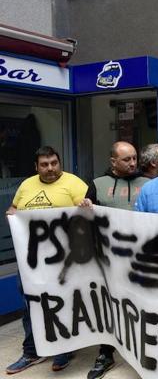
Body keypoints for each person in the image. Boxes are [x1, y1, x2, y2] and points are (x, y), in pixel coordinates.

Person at [5, 146, 87, 375]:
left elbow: (88, 213)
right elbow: (13, 207)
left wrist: (85, 207)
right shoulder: (27, 185)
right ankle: (32, 351)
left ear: (60, 163)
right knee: (30, 303)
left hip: (63, 259)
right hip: (30, 259)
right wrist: (11, 214)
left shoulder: (74, 184)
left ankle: (64, 349)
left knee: (62, 303)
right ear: (36, 167)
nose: (50, 168)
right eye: (44, 164)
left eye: (54, 163)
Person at [79, 141, 149, 379]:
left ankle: (145, 350)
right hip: (108, 259)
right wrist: (85, 208)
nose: (132, 163)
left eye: (134, 158)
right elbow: (87, 220)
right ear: (113, 162)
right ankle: (106, 353)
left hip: (142, 259)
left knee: (143, 306)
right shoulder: (98, 185)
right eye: (126, 159)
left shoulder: (149, 184)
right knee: (109, 306)